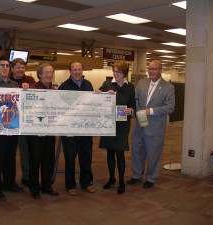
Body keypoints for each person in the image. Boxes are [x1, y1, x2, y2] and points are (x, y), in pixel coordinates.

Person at [127, 60, 175, 189]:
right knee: (137, 151)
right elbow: (135, 100)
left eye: (154, 69)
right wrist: (137, 110)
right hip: (139, 125)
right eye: (150, 69)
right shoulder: (142, 83)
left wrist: (150, 111)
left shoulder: (168, 87)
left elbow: (170, 107)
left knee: (153, 154)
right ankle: (137, 175)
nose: (151, 71)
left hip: (155, 128)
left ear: (160, 70)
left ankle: (151, 178)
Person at [0, 56, 24, 201]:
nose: (5, 68)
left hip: (13, 128)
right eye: (2, 65)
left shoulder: (15, 85)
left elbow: (18, 107)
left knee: (10, 157)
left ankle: (9, 183)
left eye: (7, 65)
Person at [58, 61, 95, 196]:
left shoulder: (88, 84)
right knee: (70, 158)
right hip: (70, 130)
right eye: (75, 70)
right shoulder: (64, 87)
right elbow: (60, 109)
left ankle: (87, 182)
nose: (77, 72)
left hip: (86, 128)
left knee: (86, 157)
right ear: (70, 71)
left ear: (83, 70)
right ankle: (70, 184)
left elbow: (92, 105)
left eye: (79, 69)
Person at [99, 61, 135, 195]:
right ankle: (111, 178)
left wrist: (130, 111)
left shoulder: (130, 86)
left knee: (119, 153)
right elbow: (99, 103)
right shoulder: (107, 84)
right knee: (110, 152)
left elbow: (133, 106)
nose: (116, 74)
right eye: (114, 71)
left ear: (125, 73)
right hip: (109, 122)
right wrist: (103, 95)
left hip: (122, 124)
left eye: (119, 71)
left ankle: (121, 181)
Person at [26, 63, 59, 199]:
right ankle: (34, 188)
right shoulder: (33, 89)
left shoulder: (53, 90)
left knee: (48, 160)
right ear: (39, 74)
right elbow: (28, 111)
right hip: (35, 132)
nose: (49, 75)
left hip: (49, 131)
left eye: (51, 72)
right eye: (46, 72)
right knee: (35, 161)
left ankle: (46, 186)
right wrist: (36, 127)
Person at [9, 58, 36, 187]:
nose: (21, 69)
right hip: (10, 121)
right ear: (12, 68)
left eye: (23, 67)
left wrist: (29, 89)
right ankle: (9, 180)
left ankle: (26, 176)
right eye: (18, 67)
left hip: (25, 121)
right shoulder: (7, 80)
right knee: (9, 151)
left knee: (25, 151)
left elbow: (36, 98)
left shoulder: (30, 81)